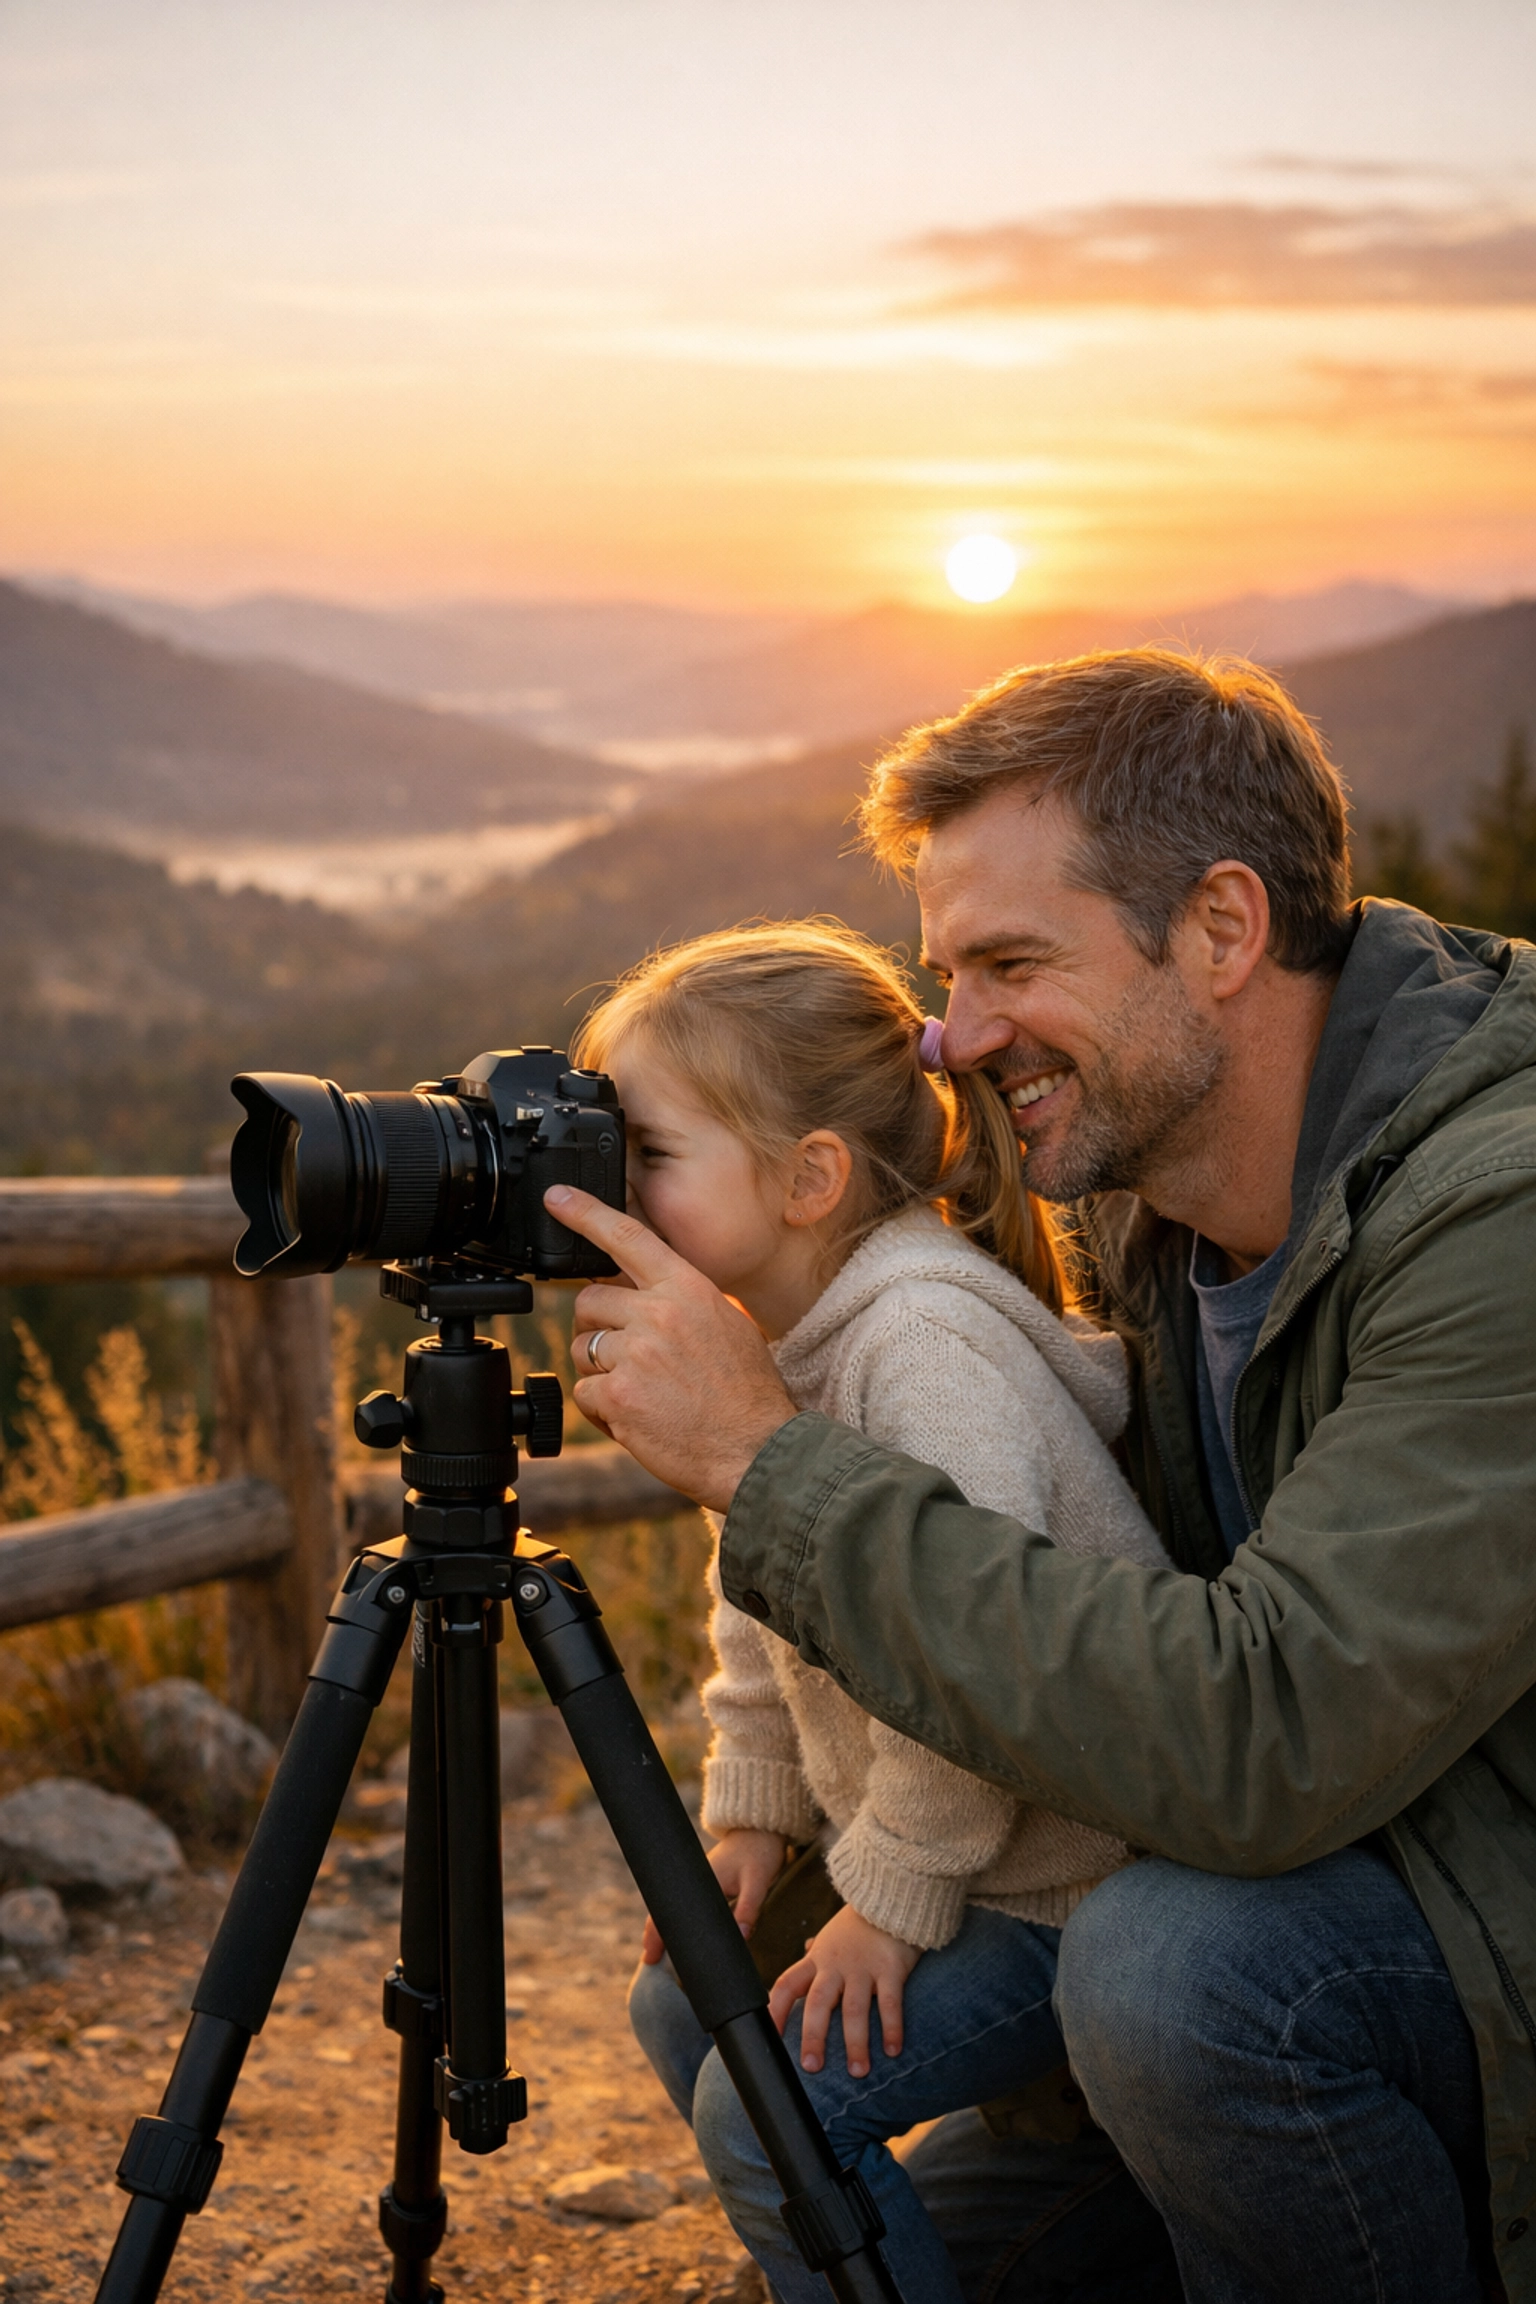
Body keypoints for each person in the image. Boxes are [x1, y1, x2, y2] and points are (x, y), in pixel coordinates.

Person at [545, 647, 1536, 2304]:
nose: (949, 1035)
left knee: (1172, 1976)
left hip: (1445, 1884)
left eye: (1009, 964)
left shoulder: (1493, 1215)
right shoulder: (1135, 1181)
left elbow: (1267, 1738)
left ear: (1223, 929)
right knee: (721, 1998)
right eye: (946, 973)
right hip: (1272, 1859)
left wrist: (766, 1467)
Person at [566, 922, 1172, 2304]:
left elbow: (988, 1665)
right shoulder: (771, 1344)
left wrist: (888, 1901)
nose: (612, 1185)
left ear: (808, 1178)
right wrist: (758, 1814)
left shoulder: (918, 1346)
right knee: (685, 2004)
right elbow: (763, 1604)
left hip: (1071, 1881)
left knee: (769, 2111)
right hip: (966, 1850)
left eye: (649, 1155)